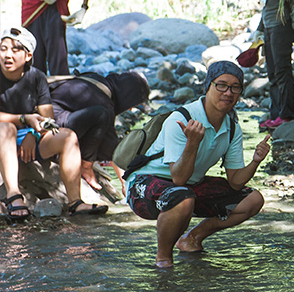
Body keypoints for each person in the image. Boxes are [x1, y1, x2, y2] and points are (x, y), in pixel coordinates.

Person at [125, 61, 271, 268]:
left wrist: (256, 161)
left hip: (187, 188)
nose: (228, 92)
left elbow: (236, 182)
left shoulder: (232, 128)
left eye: (235, 87)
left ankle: (191, 239)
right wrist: (192, 143)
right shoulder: (181, 119)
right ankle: (164, 258)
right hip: (145, 185)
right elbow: (179, 179)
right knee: (182, 197)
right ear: (208, 86)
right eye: (221, 85)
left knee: (252, 200)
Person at [0, 27, 106, 220]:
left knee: (68, 137)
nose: (7, 55)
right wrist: (23, 119)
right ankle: (13, 196)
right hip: (3, 135)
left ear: (28, 55)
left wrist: (34, 133)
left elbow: (48, 119)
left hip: (27, 135)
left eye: (15, 50)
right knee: (5, 129)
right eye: (3, 49)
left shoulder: (37, 77)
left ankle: (75, 202)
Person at [48, 71, 150, 192]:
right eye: (132, 103)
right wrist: (125, 182)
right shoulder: (104, 103)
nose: (131, 108)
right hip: (54, 126)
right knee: (102, 117)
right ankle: (86, 166)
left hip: (45, 115)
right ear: (127, 95)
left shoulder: (96, 79)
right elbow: (113, 148)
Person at [251, 0, 294, 130]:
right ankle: (275, 114)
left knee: (282, 70)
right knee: (272, 72)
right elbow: (267, 5)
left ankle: (286, 115)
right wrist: (259, 31)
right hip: (269, 27)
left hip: (281, 26)